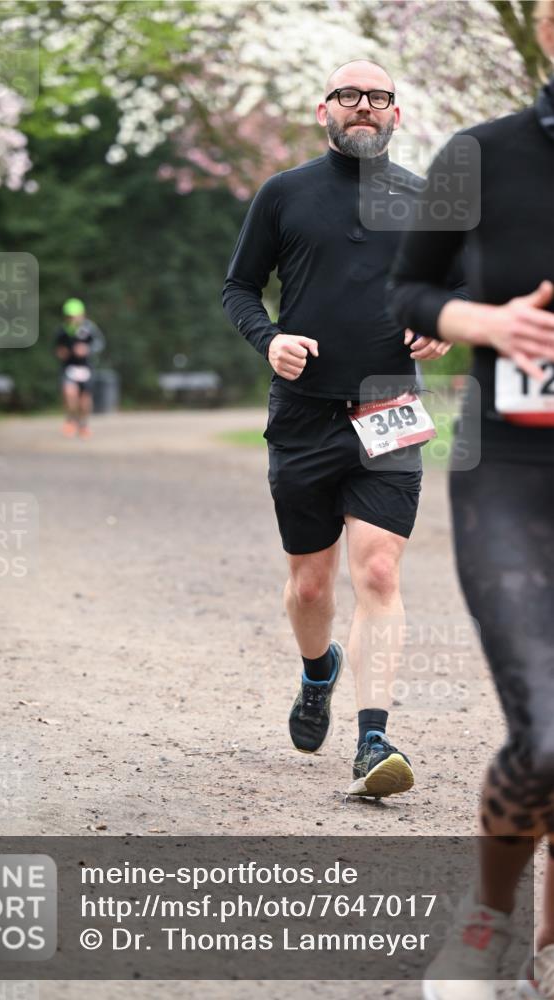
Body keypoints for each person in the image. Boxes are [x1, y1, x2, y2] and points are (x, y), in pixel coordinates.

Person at [222, 59, 461, 799]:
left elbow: (449, 287)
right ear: (323, 109)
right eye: (350, 96)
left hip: (387, 407)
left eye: (379, 97)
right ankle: (315, 668)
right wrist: (269, 340)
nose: (365, 106)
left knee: (380, 571)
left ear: (396, 113)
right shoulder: (283, 194)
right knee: (308, 584)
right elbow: (237, 287)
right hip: (302, 414)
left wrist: (440, 325)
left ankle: (373, 739)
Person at [390, 5, 554, 996]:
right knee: (547, 729)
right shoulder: (477, 155)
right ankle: (490, 916)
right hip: (512, 476)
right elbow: (404, 294)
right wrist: (483, 318)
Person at [54, 298, 105, 438]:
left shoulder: (89, 328)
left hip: (86, 368)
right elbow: (57, 348)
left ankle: (83, 424)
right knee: (70, 394)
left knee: (84, 400)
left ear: (82, 314)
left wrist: (87, 349)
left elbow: (100, 344)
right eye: (69, 316)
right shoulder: (63, 330)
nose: (72, 318)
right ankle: (71, 420)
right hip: (69, 367)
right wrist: (61, 352)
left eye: (74, 315)